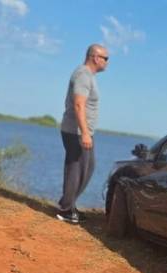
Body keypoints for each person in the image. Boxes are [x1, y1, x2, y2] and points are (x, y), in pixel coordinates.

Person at [56, 44, 109, 223]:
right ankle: (65, 209)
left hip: (81, 131)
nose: (107, 62)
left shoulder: (88, 76)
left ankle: (69, 205)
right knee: (76, 168)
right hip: (77, 131)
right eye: (105, 58)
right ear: (95, 57)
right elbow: (79, 104)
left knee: (86, 167)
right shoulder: (83, 75)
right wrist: (85, 133)